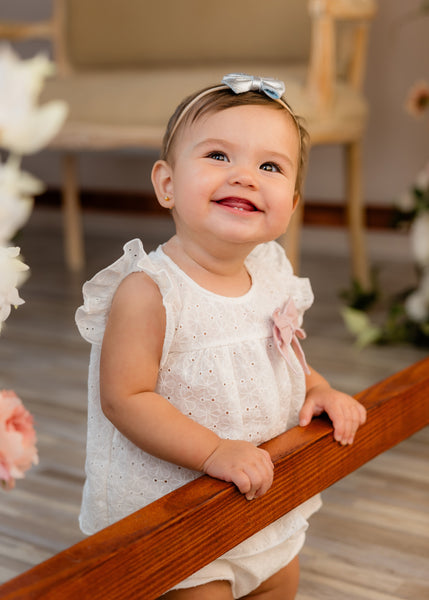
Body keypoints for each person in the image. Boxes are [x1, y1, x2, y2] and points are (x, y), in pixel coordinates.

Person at [76, 73, 367, 599]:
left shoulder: (273, 272)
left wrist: (318, 388)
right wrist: (213, 451)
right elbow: (125, 399)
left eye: (270, 166)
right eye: (217, 156)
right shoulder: (150, 291)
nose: (245, 177)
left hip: (262, 498)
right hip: (177, 517)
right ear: (166, 183)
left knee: (281, 583)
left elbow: (283, 354)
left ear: (292, 204)